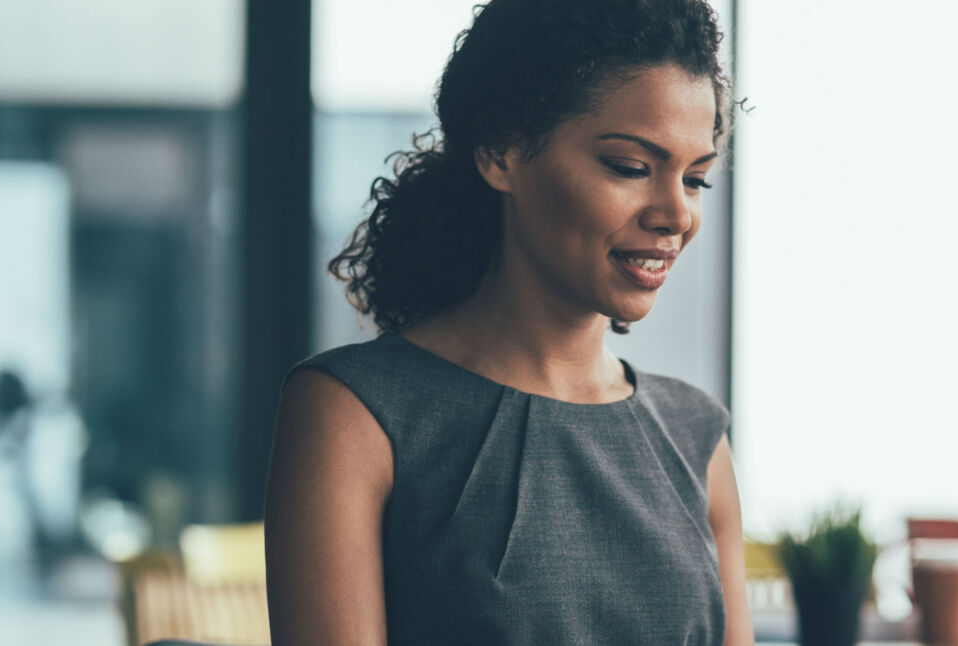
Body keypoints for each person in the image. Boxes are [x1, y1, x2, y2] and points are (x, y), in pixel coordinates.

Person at [265, 0, 753, 643]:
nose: (676, 214)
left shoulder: (696, 435)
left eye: (695, 179)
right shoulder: (354, 414)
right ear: (502, 151)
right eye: (631, 168)